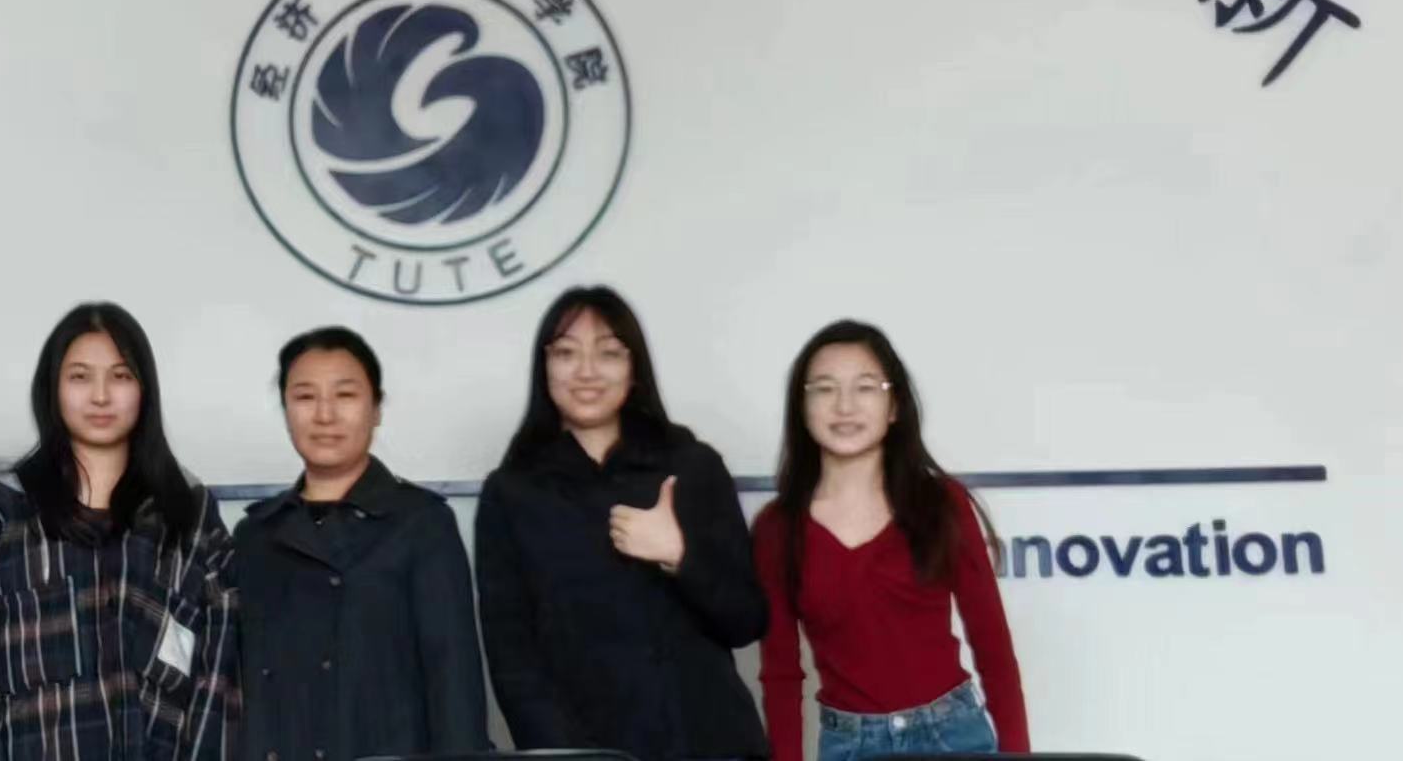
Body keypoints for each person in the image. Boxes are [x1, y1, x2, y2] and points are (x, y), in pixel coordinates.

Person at [476, 285, 769, 761]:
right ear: (544, 368)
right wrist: (568, 756)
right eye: (567, 353)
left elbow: (746, 621)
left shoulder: (692, 465)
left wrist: (680, 556)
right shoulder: (511, 492)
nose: (587, 371)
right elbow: (513, 660)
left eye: (608, 353)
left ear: (634, 369)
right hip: (589, 750)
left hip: (711, 743)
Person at [0, 302, 236, 760]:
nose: (101, 396)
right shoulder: (3, 508)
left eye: (121, 376)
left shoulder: (190, 514)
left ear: (145, 390)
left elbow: (219, 681)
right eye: (80, 377)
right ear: (53, 389)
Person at [753, 320, 1028, 761]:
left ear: (894, 405)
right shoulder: (776, 528)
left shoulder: (941, 502)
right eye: (824, 388)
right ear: (802, 407)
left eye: (865, 387)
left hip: (954, 736)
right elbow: (781, 674)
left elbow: (992, 643)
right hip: (849, 746)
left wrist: (1019, 755)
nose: (845, 405)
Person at [234, 326, 489, 761]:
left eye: (346, 395)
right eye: (305, 396)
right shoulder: (254, 535)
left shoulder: (422, 523)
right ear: (286, 409)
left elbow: (454, 684)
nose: (325, 415)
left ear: (376, 409)